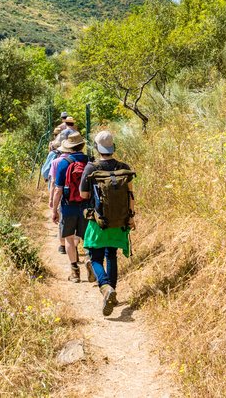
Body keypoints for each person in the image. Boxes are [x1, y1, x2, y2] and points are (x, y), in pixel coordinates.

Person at [79, 130, 136, 316]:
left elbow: (83, 195)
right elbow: (130, 195)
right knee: (111, 255)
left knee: (95, 257)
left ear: (96, 147)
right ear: (113, 147)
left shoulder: (91, 168)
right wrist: (131, 217)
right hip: (119, 221)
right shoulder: (123, 167)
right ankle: (113, 291)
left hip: (99, 221)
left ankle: (105, 287)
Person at [50, 132, 91, 282]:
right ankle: (89, 259)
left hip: (68, 206)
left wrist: (54, 210)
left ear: (69, 147)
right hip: (87, 206)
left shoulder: (63, 163)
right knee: (87, 237)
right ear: (81, 145)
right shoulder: (90, 162)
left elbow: (58, 189)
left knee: (68, 238)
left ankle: (75, 272)